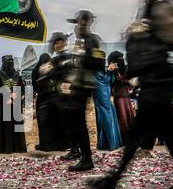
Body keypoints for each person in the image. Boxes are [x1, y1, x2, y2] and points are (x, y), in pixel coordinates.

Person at [89, 0, 173, 189]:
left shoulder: (163, 11)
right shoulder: (145, 14)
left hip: (158, 87)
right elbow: (137, 52)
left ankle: (112, 181)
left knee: (137, 137)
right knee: (172, 137)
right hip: (152, 86)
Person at [63, 10, 105, 171]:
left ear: (86, 23)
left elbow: (99, 64)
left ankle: (86, 158)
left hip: (84, 86)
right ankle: (82, 155)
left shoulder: (93, 40)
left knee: (79, 123)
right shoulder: (80, 42)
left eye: (79, 23)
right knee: (73, 121)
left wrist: (85, 58)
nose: (77, 27)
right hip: (76, 86)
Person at [32, 51, 68, 152]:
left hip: (54, 98)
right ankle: (46, 144)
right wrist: (43, 77)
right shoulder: (36, 70)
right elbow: (35, 86)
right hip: (43, 99)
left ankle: (57, 144)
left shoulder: (54, 69)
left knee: (55, 122)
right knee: (44, 123)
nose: (46, 64)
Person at [0, 55, 27, 154]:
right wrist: (7, 96)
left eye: (11, 60)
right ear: (3, 62)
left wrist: (16, 95)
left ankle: (19, 147)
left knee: (17, 125)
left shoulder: (17, 74)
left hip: (16, 103)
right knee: (7, 125)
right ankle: (6, 148)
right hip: (5, 104)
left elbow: (22, 88)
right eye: (7, 60)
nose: (10, 62)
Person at [93, 53, 123, 151]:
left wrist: (111, 72)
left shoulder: (101, 70)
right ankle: (109, 143)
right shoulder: (95, 71)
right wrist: (109, 72)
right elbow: (103, 82)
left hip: (106, 96)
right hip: (101, 96)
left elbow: (109, 81)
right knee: (105, 119)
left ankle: (111, 143)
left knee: (109, 117)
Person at [110, 51, 134, 145]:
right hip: (120, 95)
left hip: (123, 95)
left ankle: (128, 138)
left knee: (126, 115)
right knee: (123, 117)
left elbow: (129, 82)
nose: (121, 60)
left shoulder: (124, 69)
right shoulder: (114, 70)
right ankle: (124, 139)